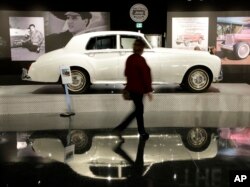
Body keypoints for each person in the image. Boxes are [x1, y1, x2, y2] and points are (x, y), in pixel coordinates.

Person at [113, 38, 153, 140]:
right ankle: (122, 129)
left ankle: (140, 131)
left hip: (132, 88)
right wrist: (148, 90)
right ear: (141, 48)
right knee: (138, 111)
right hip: (138, 90)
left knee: (138, 111)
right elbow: (145, 76)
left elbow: (126, 73)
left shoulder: (130, 58)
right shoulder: (140, 60)